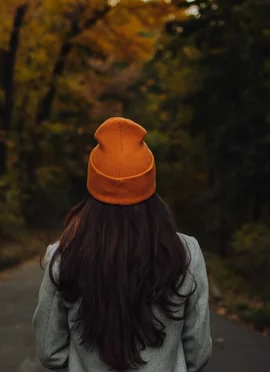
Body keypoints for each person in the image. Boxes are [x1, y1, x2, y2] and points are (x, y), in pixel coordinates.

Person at [32, 117, 212, 372]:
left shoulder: (65, 255)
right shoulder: (185, 253)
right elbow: (198, 351)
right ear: (150, 186)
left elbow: (50, 351)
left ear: (93, 185)